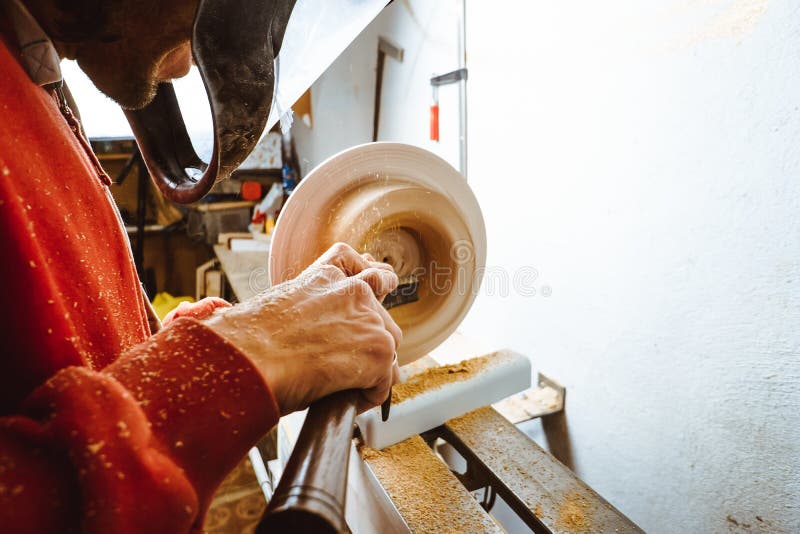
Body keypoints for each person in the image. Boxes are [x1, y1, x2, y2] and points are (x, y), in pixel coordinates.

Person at [0, 0, 401, 531]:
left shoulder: (33, 64)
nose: (187, 66)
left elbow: (54, 364)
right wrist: (248, 349)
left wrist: (235, 334)